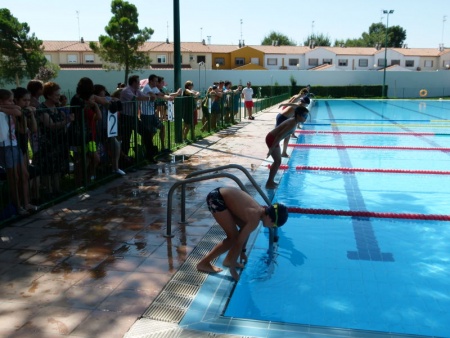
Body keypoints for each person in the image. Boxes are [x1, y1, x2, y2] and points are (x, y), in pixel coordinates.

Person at [196, 186, 288, 281]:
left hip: (221, 195)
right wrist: (232, 270)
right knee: (232, 238)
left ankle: (228, 260)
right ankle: (203, 263)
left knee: (241, 230)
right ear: (270, 218)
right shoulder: (254, 218)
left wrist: (242, 252)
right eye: (273, 225)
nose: (271, 227)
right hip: (216, 199)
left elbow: (245, 233)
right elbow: (239, 242)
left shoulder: (259, 211)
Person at [0, 89, 37, 215]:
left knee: (24, 175)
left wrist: (3, 107)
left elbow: (17, 112)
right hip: (5, 146)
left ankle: (26, 203)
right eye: (9, 100)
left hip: (15, 145)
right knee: (14, 177)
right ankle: (18, 206)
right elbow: (16, 110)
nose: (12, 102)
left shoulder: (9, 111)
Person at [266, 106, 309, 189]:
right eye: (305, 116)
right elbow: (279, 135)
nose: (305, 118)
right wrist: (271, 148)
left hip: (273, 139)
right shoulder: (292, 122)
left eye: (306, 116)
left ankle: (270, 181)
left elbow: (286, 135)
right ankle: (269, 183)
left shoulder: (294, 121)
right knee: (277, 161)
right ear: (299, 115)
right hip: (272, 139)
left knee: (277, 161)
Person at [119, 75, 157, 163]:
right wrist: (149, 98)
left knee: (146, 133)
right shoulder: (126, 91)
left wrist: (151, 96)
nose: (139, 83)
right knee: (126, 140)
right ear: (133, 83)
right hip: (126, 117)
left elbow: (144, 95)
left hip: (134, 117)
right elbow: (136, 99)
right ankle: (124, 161)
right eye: (138, 82)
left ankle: (150, 156)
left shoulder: (137, 91)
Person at [93, 84, 126, 176]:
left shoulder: (106, 98)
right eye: (103, 90)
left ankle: (115, 168)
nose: (105, 92)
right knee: (95, 151)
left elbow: (118, 105)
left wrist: (115, 100)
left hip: (106, 128)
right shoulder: (94, 100)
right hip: (95, 129)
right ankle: (93, 173)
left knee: (116, 145)